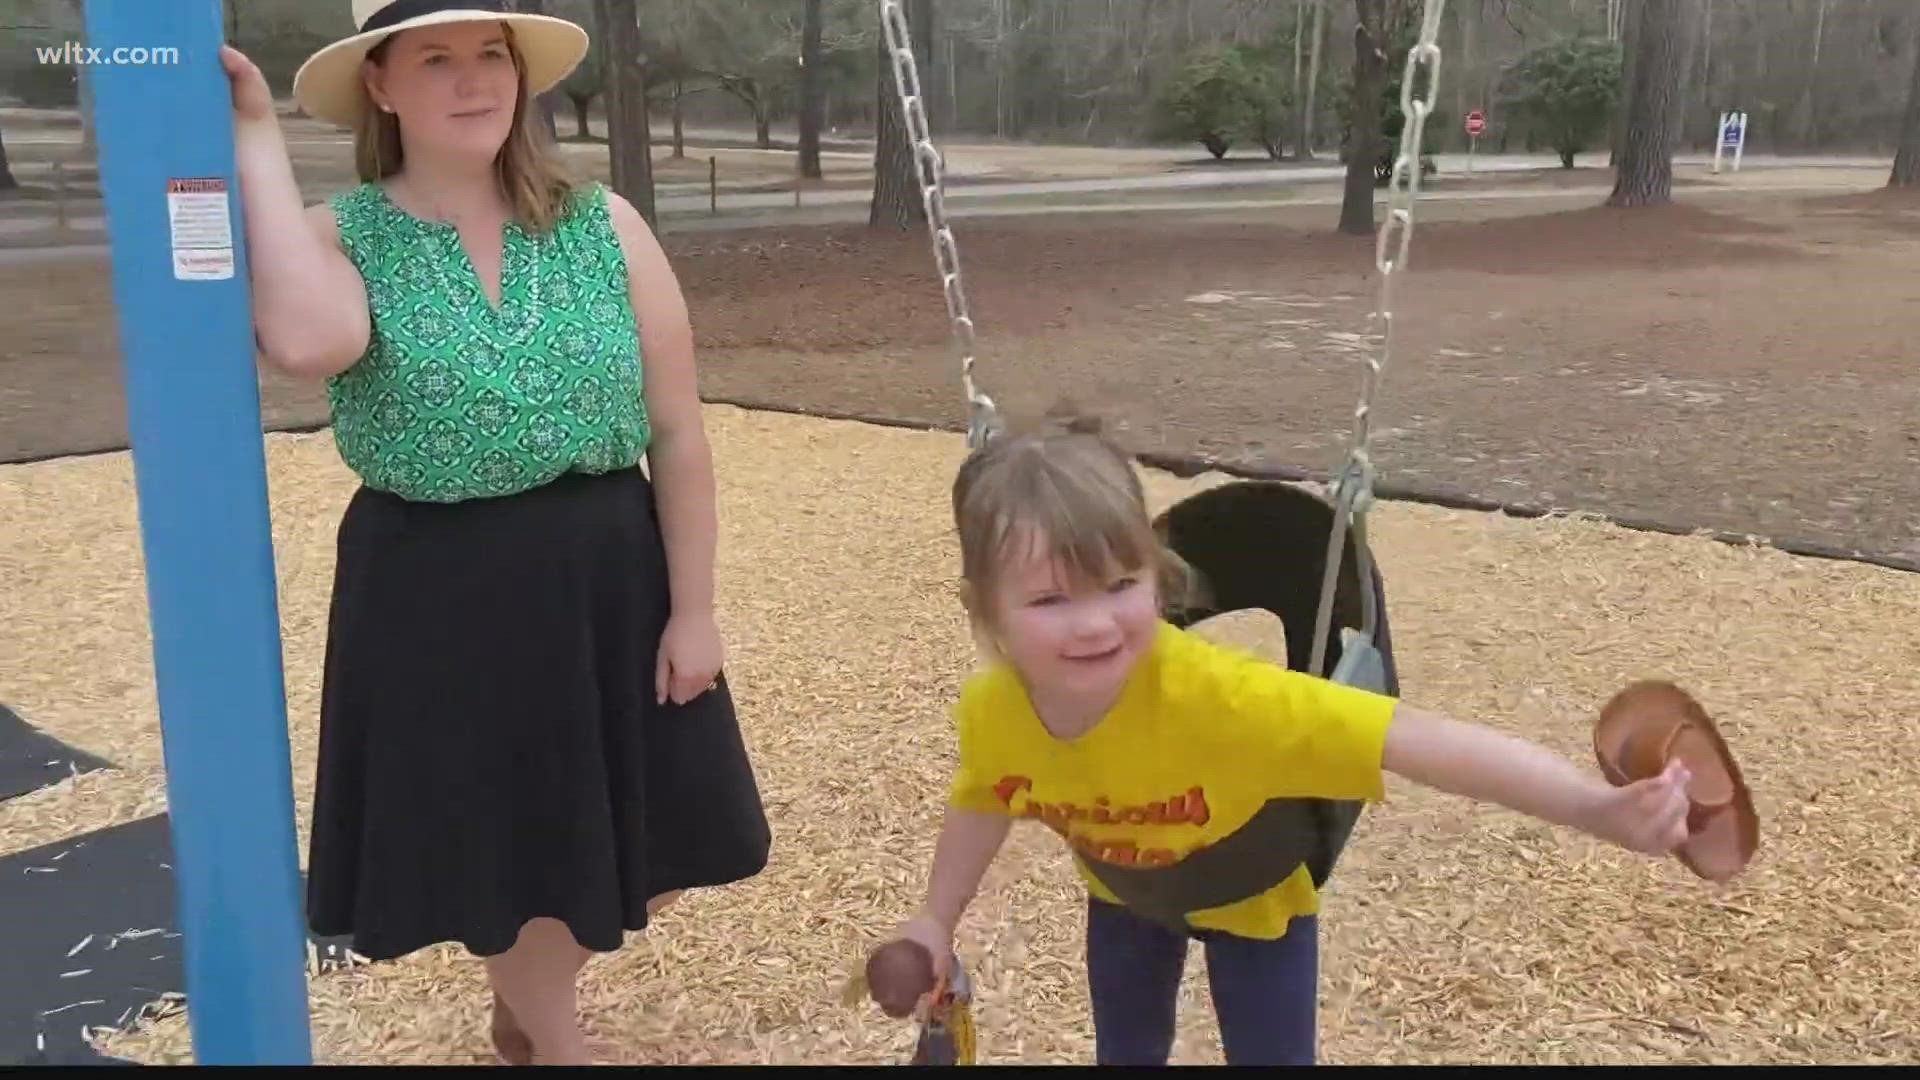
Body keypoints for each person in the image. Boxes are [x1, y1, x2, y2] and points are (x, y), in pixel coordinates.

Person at [220, 1, 770, 1065]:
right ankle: (556, 1046)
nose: (473, 82)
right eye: (436, 60)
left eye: (490, 58)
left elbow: (678, 431)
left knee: (659, 832)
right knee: (512, 851)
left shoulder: (603, 223)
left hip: (610, 572)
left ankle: (525, 1009)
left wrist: (696, 610)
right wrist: (252, 137)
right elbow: (307, 338)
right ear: (380, 86)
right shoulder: (348, 235)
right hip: (438, 590)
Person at [883, 411, 1699, 1066]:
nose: (1095, 623)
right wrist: (934, 919)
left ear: (1158, 576)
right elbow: (984, 799)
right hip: (1126, 897)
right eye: (1051, 601)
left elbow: (1420, 741)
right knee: (1127, 1053)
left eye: (1121, 585)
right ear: (986, 612)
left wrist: (1595, 808)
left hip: (1255, 894)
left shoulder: (1224, 701)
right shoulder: (995, 710)